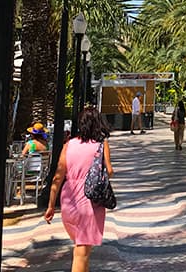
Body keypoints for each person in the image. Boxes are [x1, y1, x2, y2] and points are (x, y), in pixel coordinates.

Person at [45, 106, 112, 272]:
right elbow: (109, 171)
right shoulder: (100, 145)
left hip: (68, 199)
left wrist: (51, 205)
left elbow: (57, 177)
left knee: (82, 247)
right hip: (89, 200)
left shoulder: (69, 145)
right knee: (81, 252)